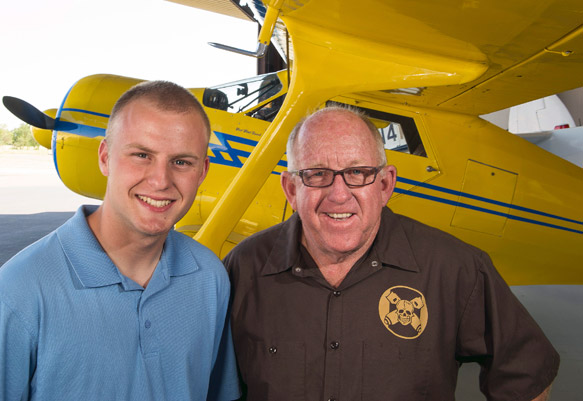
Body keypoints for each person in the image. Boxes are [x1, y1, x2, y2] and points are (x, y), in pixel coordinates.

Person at [223, 105, 559, 401]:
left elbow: (525, 373)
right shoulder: (242, 268)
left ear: (385, 185)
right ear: (291, 189)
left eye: (357, 172)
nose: (339, 195)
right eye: (317, 174)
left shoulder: (455, 268)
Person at [0, 81, 240, 401]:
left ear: (202, 172)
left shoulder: (210, 277)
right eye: (142, 155)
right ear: (104, 157)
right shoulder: (14, 294)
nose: (161, 180)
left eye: (181, 162)